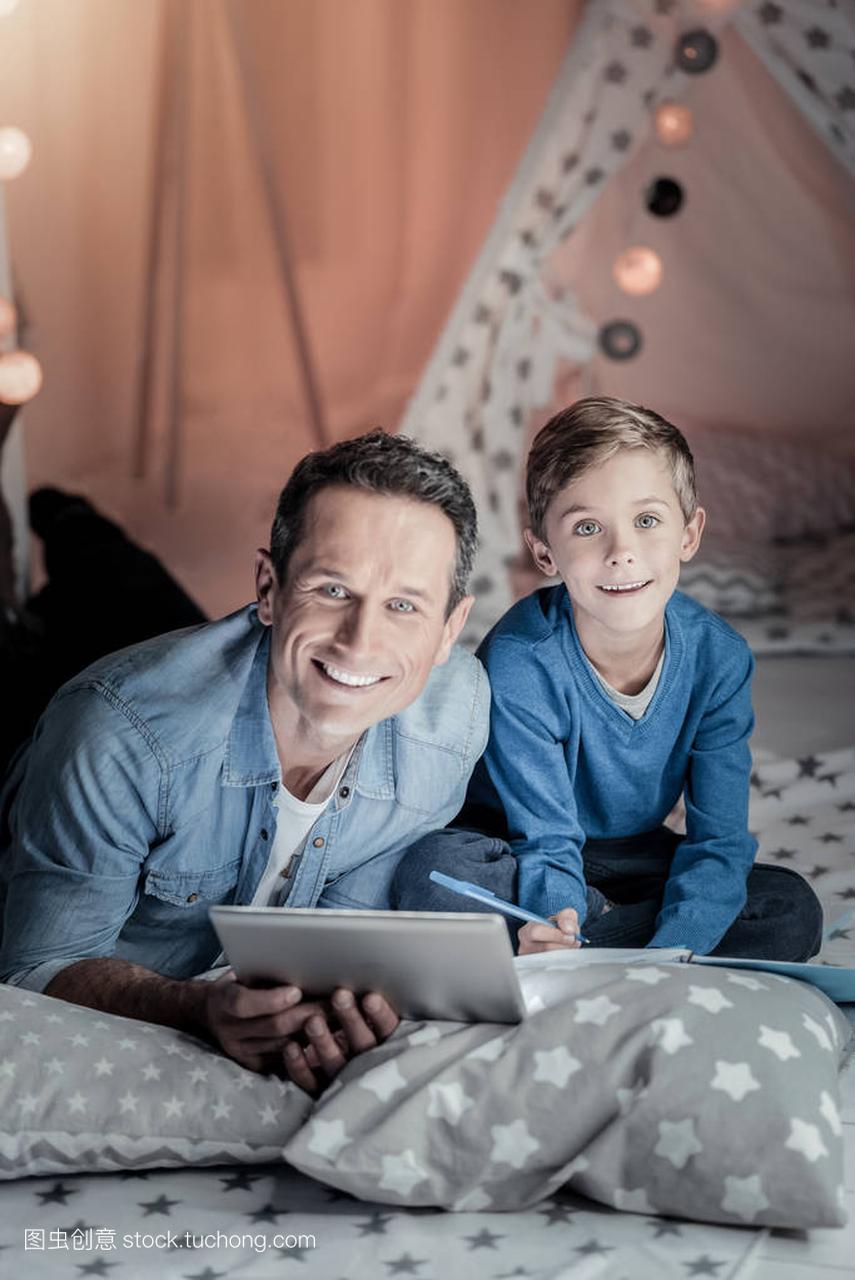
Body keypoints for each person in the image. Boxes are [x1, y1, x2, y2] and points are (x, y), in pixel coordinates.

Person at [0, 431, 487, 1092]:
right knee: (39, 630)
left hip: (228, 679)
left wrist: (336, 1006)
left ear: (449, 632)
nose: (361, 641)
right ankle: (63, 521)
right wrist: (194, 1007)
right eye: (333, 590)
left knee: (132, 596)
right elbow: (32, 967)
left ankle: (74, 527)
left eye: (403, 605)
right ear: (268, 585)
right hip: (67, 722)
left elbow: (343, 930)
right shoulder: (120, 731)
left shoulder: (452, 719)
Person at [396, 396, 822, 961]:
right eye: (588, 527)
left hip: (633, 854)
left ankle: (600, 936)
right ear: (545, 552)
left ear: (689, 534)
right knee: (430, 877)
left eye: (647, 521)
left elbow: (717, 841)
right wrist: (557, 917)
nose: (622, 552)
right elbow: (545, 838)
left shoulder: (719, 659)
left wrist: (676, 945)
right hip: (517, 845)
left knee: (790, 909)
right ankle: (584, 929)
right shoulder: (522, 658)